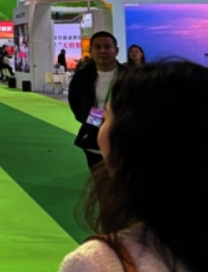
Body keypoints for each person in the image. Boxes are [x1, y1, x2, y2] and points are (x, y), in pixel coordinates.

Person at [60, 61, 207, 272]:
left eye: (108, 117)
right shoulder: (85, 78)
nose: (103, 51)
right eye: (98, 47)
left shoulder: (97, 262)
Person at [69, 31, 125, 171]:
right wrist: (89, 120)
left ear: (116, 50)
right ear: (91, 51)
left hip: (124, 135)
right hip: (93, 133)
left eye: (107, 47)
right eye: (97, 47)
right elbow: (75, 103)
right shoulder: (81, 77)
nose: (102, 51)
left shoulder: (130, 76)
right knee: (100, 181)